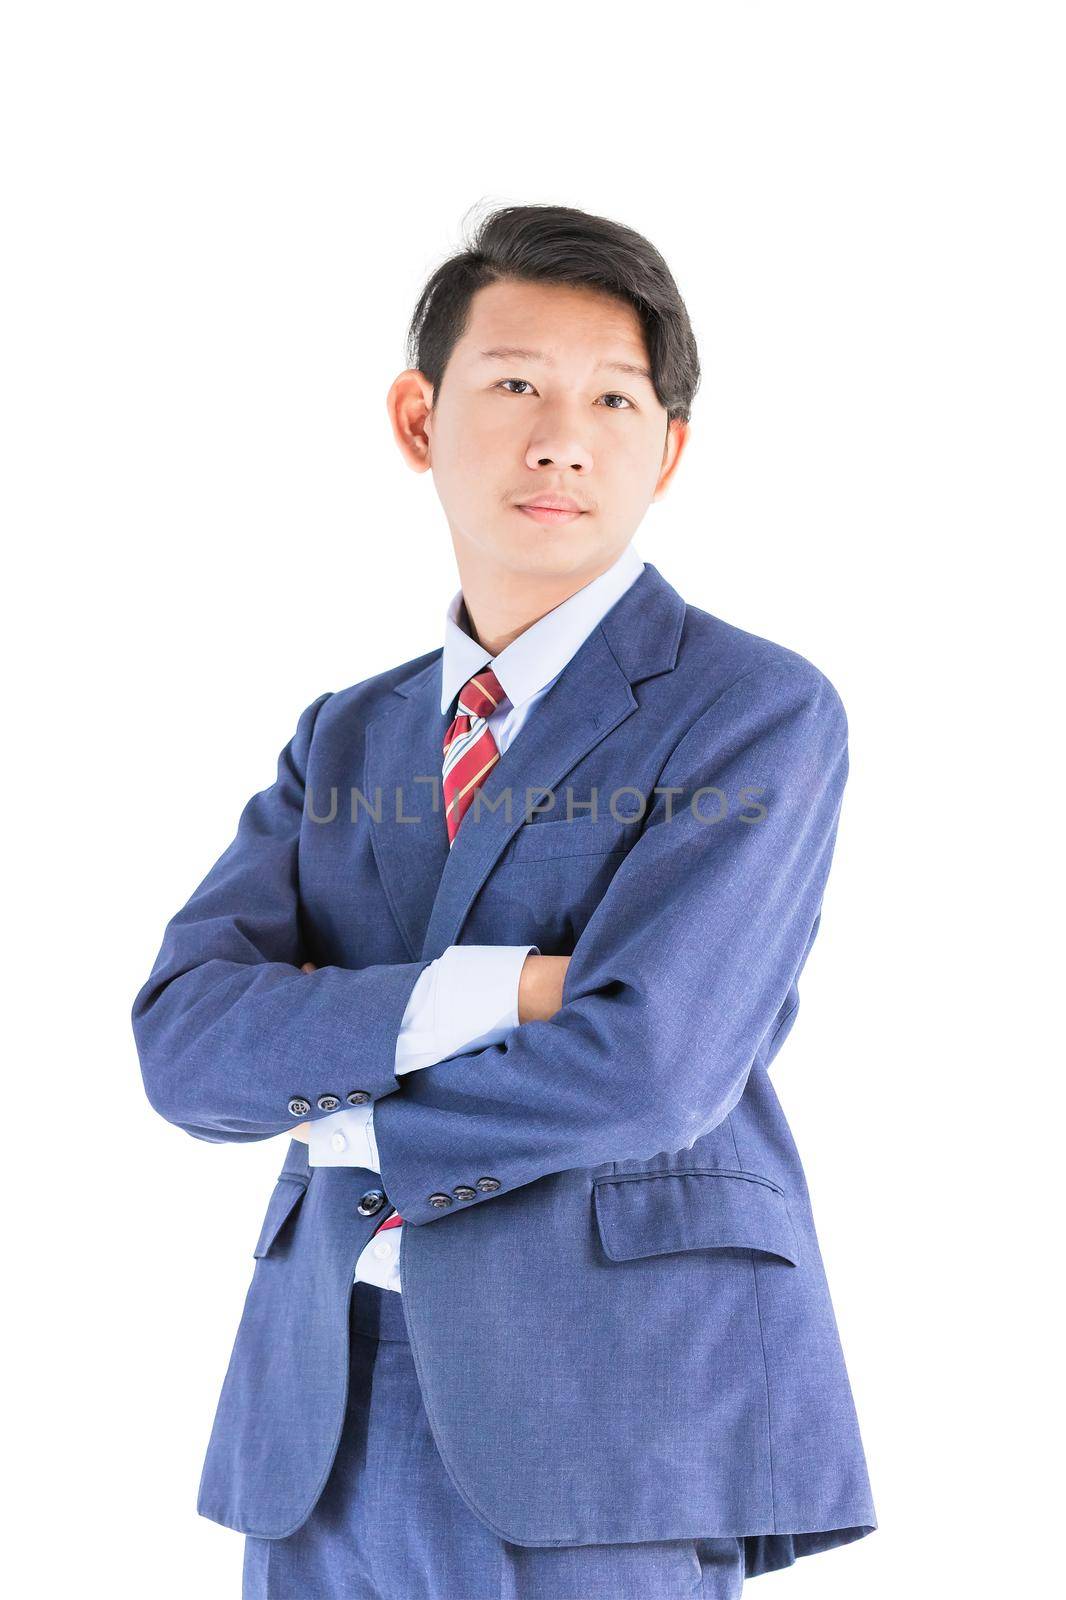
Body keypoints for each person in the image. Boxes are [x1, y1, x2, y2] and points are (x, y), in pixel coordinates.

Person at [132, 202, 877, 1599]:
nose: (562, 436)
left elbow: (653, 1067)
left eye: (612, 398)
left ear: (669, 448)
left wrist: (330, 1094)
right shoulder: (344, 738)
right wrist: (505, 991)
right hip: (325, 1400)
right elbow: (182, 1044)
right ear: (420, 417)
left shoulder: (750, 712)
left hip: (611, 1405)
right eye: (515, 385)